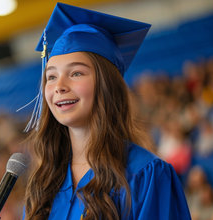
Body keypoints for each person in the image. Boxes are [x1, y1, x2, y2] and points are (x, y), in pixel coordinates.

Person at [22, 3, 191, 220]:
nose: (59, 86)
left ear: (107, 86)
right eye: (51, 76)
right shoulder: (43, 183)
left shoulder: (144, 174)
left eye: (75, 73)